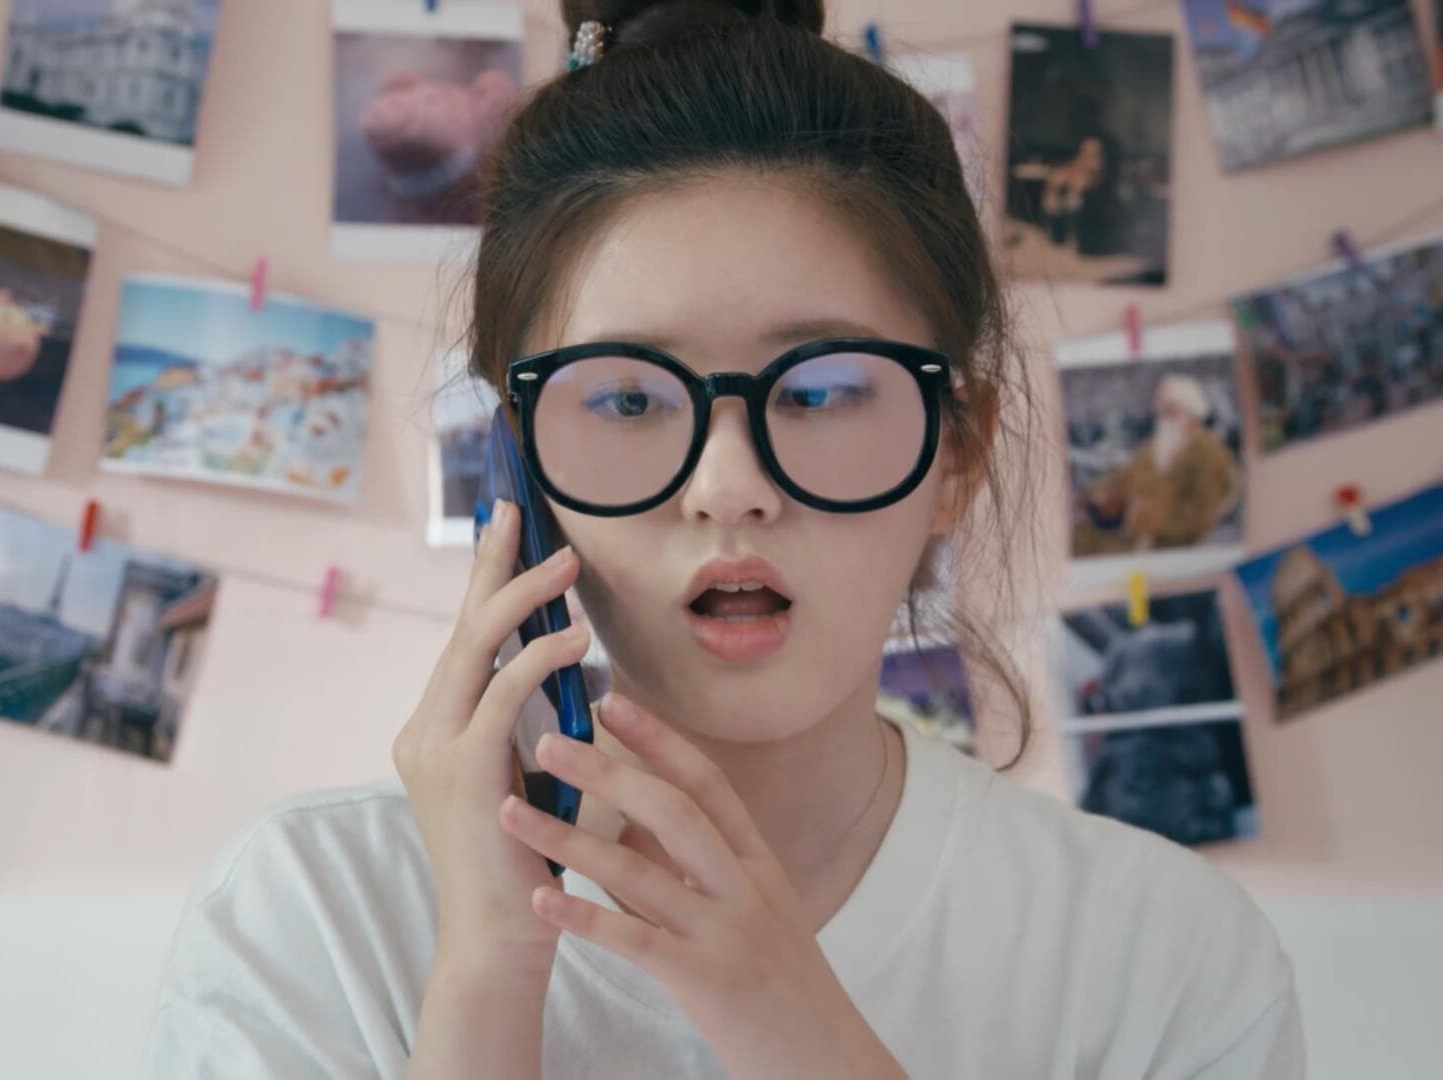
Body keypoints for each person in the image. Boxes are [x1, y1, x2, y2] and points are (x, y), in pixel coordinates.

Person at [147, 3, 1303, 1076]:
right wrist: (488, 975)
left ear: (957, 452)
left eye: (822, 390)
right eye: (627, 399)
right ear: (516, 466)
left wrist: (800, 1032)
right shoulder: (312, 916)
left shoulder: (1163, 959)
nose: (730, 488)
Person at [1080, 373, 1240, 554]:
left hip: (1176, 550)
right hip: (1133, 541)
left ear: (1191, 410)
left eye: (1170, 409)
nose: (1163, 416)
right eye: (1161, 409)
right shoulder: (1155, 446)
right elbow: (1124, 478)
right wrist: (1097, 493)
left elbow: (1201, 515)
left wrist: (1140, 519)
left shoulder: (1209, 452)